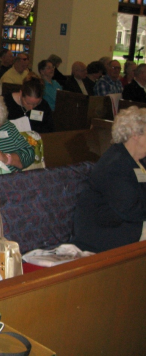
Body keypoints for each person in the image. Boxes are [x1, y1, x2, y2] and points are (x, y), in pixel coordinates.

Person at [71, 107, 146, 253]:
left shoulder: (140, 160)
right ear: (135, 134)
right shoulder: (115, 164)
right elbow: (130, 210)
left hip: (128, 223)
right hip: (106, 232)